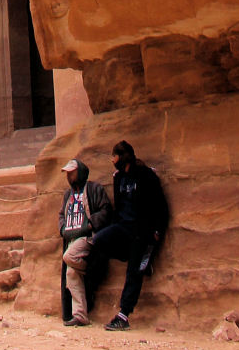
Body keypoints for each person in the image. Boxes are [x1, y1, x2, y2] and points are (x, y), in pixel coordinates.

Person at [88, 140, 171, 330]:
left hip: (141, 231)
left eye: (114, 156)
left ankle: (123, 316)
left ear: (122, 157)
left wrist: (157, 232)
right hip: (123, 228)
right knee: (99, 240)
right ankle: (141, 260)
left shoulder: (145, 175)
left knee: (133, 273)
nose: (112, 160)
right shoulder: (118, 178)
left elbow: (160, 206)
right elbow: (119, 207)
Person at [57, 157, 111, 327]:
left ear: (80, 172)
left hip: (88, 237)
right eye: (67, 173)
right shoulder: (68, 194)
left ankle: (92, 271)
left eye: (72, 173)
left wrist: (90, 224)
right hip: (72, 238)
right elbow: (61, 215)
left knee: (69, 257)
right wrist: (62, 229)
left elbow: (105, 210)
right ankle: (80, 315)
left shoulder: (94, 189)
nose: (69, 176)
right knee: (71, 274)